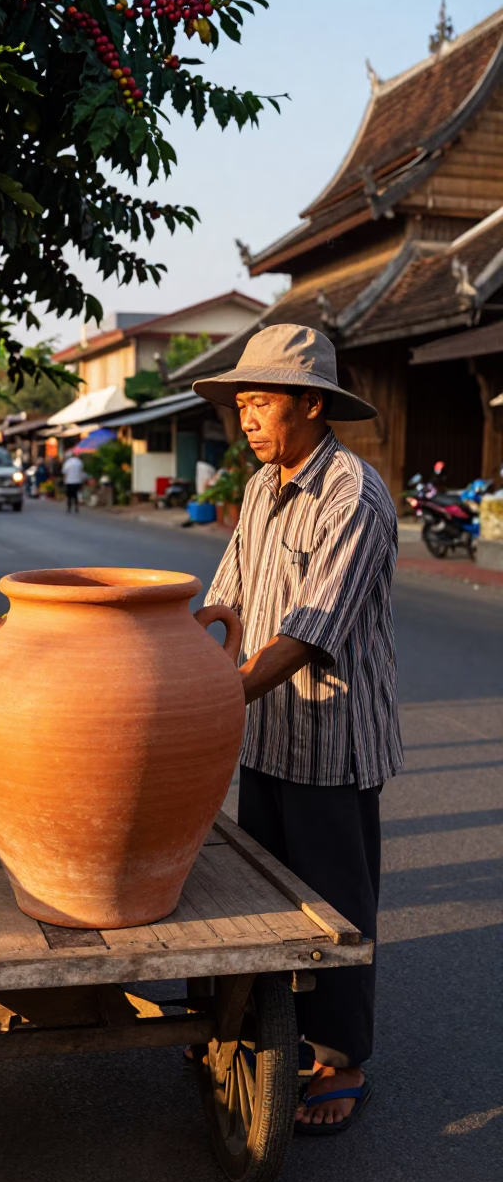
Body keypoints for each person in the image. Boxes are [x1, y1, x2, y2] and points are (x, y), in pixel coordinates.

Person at [192, 324, 402, 1135]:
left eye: (260, 403)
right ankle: (247, 1023)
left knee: (336, 904)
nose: (246, 419)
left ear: (312, 404)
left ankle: (343, 1058)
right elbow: (229, 597)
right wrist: (181, 659)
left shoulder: (355, 492)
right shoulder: (260, 487)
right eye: (241, 404)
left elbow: (316, 626)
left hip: (335, 735)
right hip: (268, 731)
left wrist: (220, 697)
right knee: (260, 891)